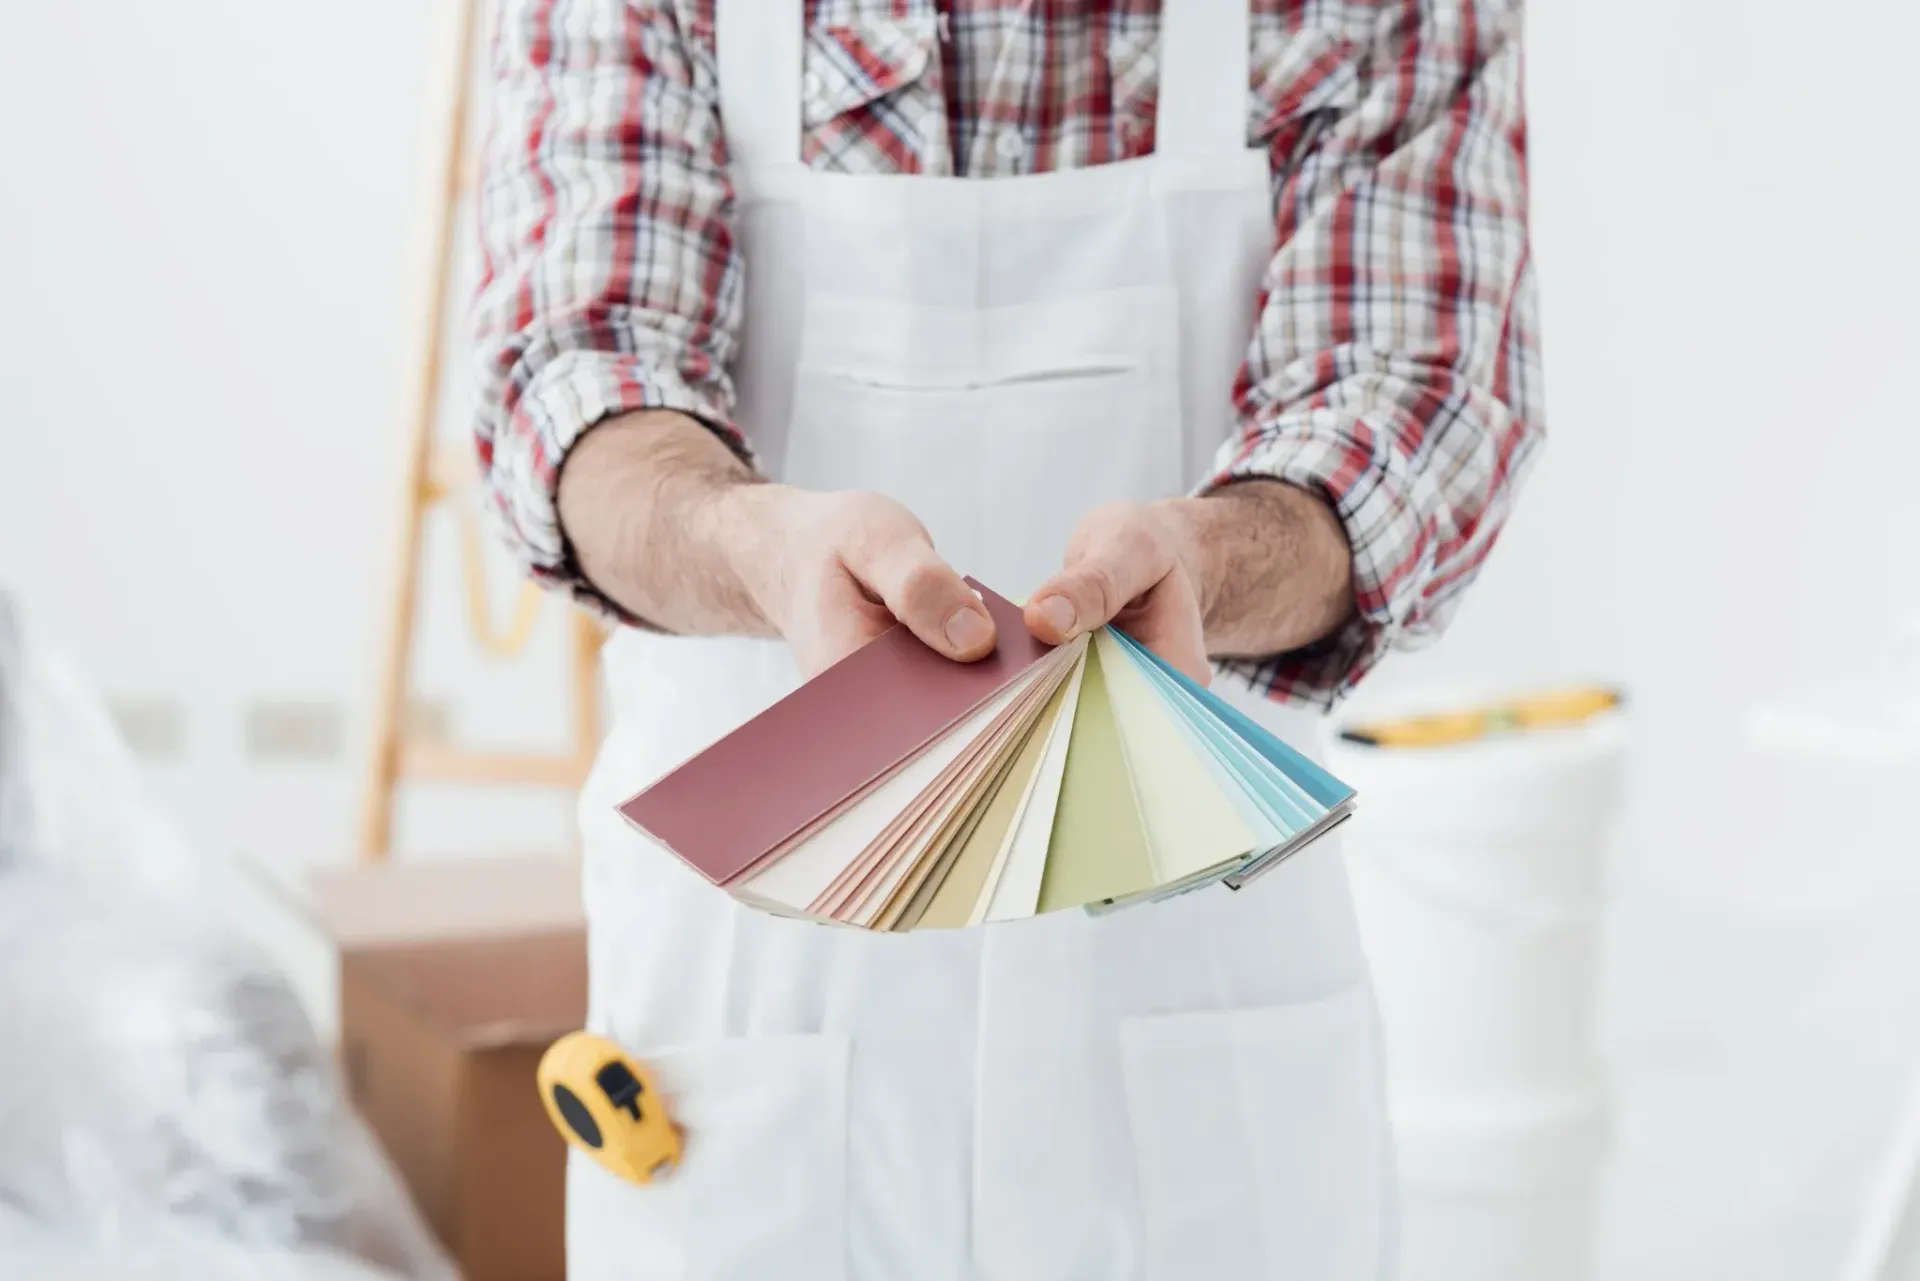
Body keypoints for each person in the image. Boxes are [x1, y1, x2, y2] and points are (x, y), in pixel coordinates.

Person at [473, 2, 1540, 1277]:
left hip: (1202, 991)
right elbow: (577, 366)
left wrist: (1213, 559)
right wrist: (759, 547)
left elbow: (1416, 396)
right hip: (754, 1022)